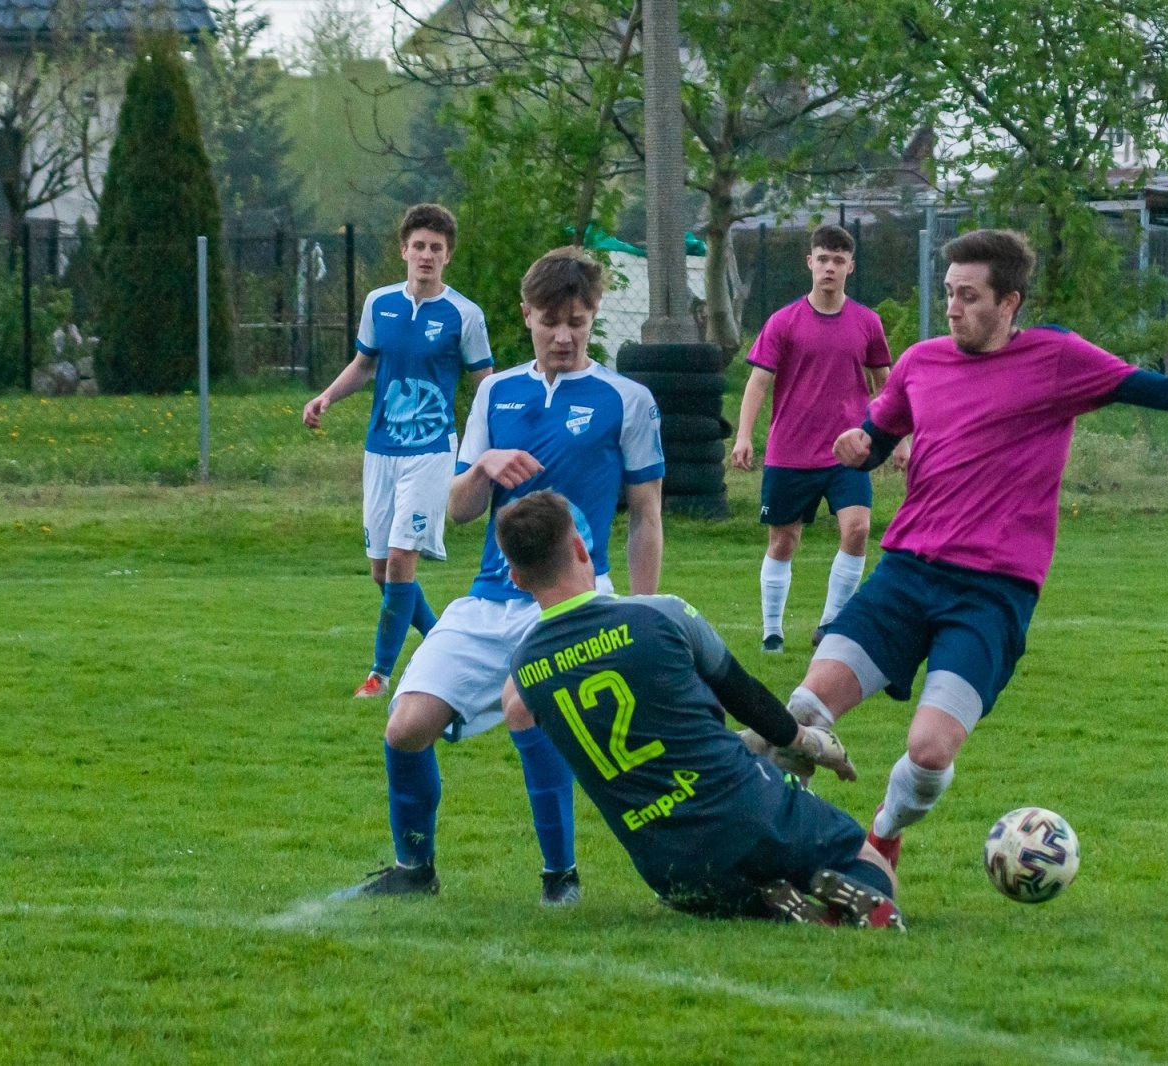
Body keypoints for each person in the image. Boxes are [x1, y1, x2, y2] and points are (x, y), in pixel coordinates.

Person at [783, 229, 1168, 870]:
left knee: (928, 753)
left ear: (1009, 302)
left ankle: (882, 840)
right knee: (802, 712)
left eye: (968, 296)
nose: (952, 308)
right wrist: (862, 442)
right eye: (949, 294)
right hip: (906, 574)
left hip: (991, 592)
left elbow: (1166, 392)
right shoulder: (922, 362)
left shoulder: (1058, 359)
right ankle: (768, 843)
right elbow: (882, 429)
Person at [333, 247, 665, 906]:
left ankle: (559, 877)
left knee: (524, 705)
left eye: (577, 320)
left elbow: (646, 516)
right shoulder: (495, 392)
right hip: (488, 598)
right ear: (526, 316)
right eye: (550, 321)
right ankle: (414, 870)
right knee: (405, 727)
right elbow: (458, 513)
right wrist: (482, 465)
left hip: (572, 600)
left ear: (594, 315)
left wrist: (640, 614)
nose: (564, 336)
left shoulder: (626, 401)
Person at [496, 490, 903, 928]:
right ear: (580, 548)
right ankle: (833, 900)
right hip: (746, 810)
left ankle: (766, 904)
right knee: (876, 872)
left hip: (665, 865)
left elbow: (646, 741)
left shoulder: (525, 670)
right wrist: (807, 742)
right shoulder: (661, 614)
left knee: (716, 887)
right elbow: (744, 696)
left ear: (517, 579)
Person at [302, 204, 495, 699]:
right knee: (381, 571)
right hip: (381, 448)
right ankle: (445, 646)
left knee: (401, 557)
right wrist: (326, 395)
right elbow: (364, 365)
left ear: (447, 256)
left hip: (431, 451)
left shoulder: (464, 315)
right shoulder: (379, 303)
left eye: (436, 247)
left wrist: (486, 446)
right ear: (403, 250)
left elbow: (484, 387)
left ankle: (380, 675)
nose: (426, 255)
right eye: (419, 246)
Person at [732, 224, 897, 655]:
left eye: (838, 261)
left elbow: (887, 385)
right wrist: (744, 436)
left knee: (858, 529)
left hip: (850, 452)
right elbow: (757, 383)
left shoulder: (867, 322)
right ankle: (772, 632)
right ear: (810, 263)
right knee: (783, 541)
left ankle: (831, 624)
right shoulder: (783, 322)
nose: (829, 268)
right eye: (823, 259)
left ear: (850, 268)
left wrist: (899, 438)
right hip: (790, 452)